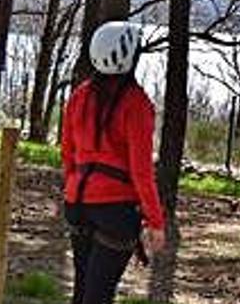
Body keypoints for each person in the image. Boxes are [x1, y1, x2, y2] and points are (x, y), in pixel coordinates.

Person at [61, 21, 166, 304]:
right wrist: (156, 222)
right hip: (115, 211)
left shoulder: (79, 96)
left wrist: (72, 188)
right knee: (98, 294)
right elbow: (141, 171)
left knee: (84, 289)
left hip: (77, 204)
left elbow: (68, 154)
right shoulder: (136, 103)